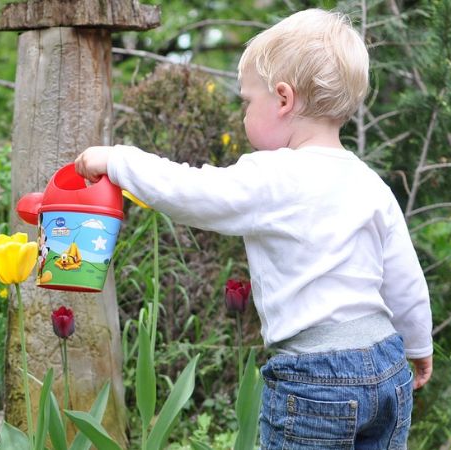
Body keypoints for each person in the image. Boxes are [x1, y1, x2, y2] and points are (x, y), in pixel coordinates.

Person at [74, 8, 432, 449]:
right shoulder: (369, 182)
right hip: (388, 367)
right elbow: (404, 277)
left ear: (283, 99)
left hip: (317, 377)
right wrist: (418, 345)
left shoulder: (273, 175)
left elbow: (192, 191)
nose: (243, 114)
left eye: (247, 101)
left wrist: (115, 160)